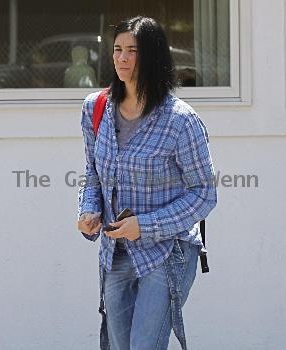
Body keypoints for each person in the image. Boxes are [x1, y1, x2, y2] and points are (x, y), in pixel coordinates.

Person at [78, 16, 217, 350]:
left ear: (152, 56)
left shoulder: (181, 120)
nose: (122, 58)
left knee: (144, 345)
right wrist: (88, 210)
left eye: (132, 51)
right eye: (117, 50)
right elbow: (93, 173)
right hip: (115, 252)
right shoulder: (96, 109)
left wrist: (145, 225)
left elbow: (204, 194)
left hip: (168, 252)